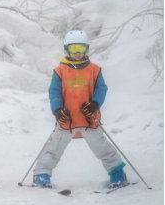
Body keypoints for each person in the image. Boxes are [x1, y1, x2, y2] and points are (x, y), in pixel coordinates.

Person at [32, 29, 126, 189]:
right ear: (67, 49)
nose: (77, 52)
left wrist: (95, 104)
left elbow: (101, 89)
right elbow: (54, 91)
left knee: (102, 147)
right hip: (66, 119)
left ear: (86, 49)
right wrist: (57, 110)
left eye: (81, 48)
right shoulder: (60, 71)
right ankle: (41, 175)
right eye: (73, 48)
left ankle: (117, 173)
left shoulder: (94, 70)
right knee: (54, 148)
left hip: (89, 118)